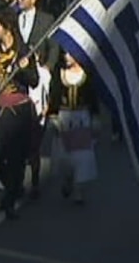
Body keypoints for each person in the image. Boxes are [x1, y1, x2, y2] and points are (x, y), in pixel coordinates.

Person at [0, 9, 38, 220]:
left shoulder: (24, 51)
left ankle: (10, 199)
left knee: (16, 158)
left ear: (7, 27)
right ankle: (13, 187)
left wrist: (26, 69)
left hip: (18, 112)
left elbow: (34, 81)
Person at [48, 52, 99, 204]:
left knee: (82, 155)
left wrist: (95, 117)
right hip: (64, 118)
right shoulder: (59, 73)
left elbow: (92, 96)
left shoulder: (87, 73)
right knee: (64, 155)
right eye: (64, 54)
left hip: (81, 119)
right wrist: (53, 116)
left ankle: (78, 190)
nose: (66, 57)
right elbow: (54, 96)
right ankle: (68, 178)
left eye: (70, 54)